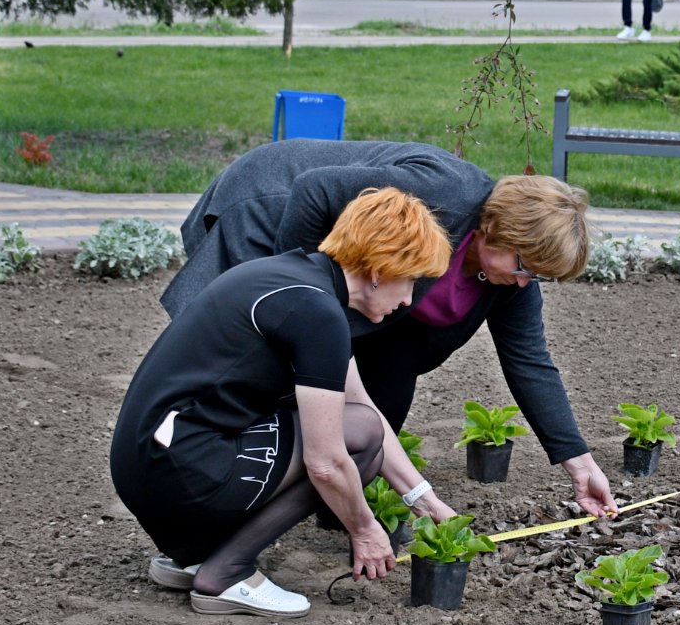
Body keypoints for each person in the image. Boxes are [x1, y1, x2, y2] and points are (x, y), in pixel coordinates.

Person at [161, 140, 619, 522]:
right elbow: (314, 189)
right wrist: (296, 292)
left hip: (322, 257)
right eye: (524, 267)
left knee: (359, 391)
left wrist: (579, 464)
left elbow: (530, 362)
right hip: (266, 207)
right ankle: (205, 496)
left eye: (536, 276)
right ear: (495, 227)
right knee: (258, 365)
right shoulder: (447, 193)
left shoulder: (510, 282)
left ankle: (320, 501)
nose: (525, 281)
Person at [111, 187, 457, 617]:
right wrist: (365, 528)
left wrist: (423, 498)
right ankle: (227, 573)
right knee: (356, 438)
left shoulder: (296, 280)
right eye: (411, 281)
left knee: (355, 423)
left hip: (146, 461)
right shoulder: (319, 315)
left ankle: (193, 556)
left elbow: (358, 401)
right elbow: (328, 460)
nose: (408, 299)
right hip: (177, 468)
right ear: (380, 270)